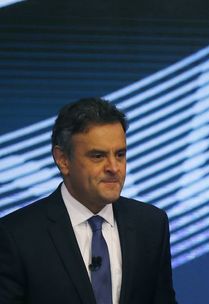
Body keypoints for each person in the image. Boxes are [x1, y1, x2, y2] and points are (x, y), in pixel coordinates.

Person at [0, 98, 177, 304]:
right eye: (98, 156)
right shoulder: (16, 236)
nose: (114, 167)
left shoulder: (151, 224)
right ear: (63, 160)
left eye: (120, 154)